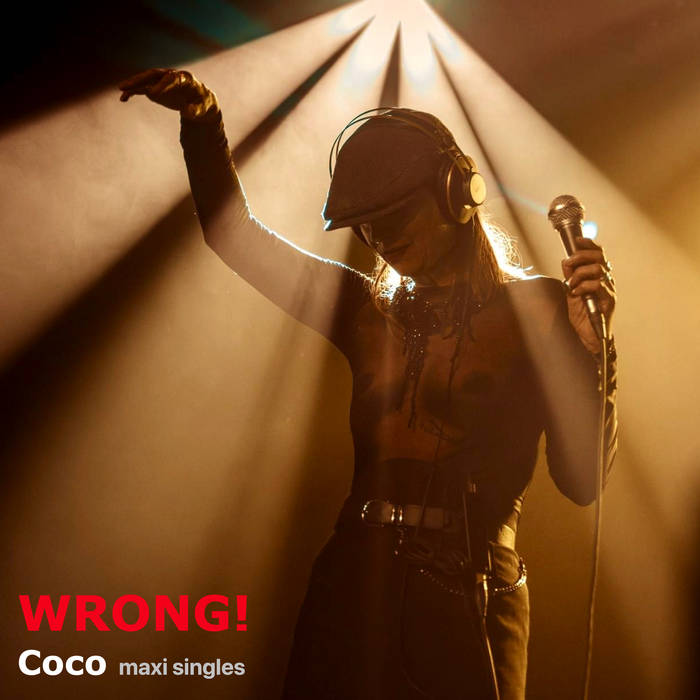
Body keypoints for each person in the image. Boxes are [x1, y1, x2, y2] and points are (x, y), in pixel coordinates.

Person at [119, 68, 618, 700]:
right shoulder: (367, 310)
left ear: (456, 192)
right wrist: (203, 121)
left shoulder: (540, 312)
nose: (379, 235)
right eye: (364, 222)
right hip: (353, 582)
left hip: (472, 595)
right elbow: (233, 235)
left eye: (394, 213)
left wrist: (593, 354)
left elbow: (581, 481)